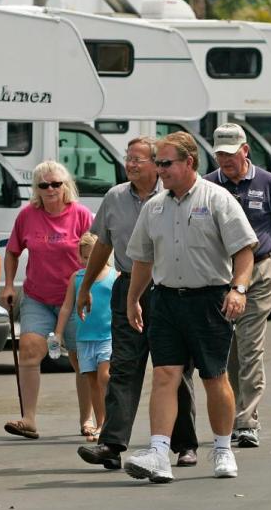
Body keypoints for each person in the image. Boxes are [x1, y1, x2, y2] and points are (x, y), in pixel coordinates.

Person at [123, 131, 258, 483]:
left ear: (189, 163)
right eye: (158, 163)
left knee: (214, 376)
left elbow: (244, 251)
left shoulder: (218, 200)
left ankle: (224, 449)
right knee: (165, 374)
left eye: (166, 163)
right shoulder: (154, 206)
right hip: (166, 300)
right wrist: (133, 298)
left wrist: (238, 289)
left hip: (210, 299)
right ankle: (158, 453)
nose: (160, 170)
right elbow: (142, 259)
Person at [75, 136, 199, 470]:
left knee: (172, 368)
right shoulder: (115, 197)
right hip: (127, 286)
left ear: (157, 164)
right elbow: (102, 244)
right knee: (124, 366)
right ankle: (111, 445)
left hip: (167, 289)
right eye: (128, 158)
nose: (130, 164)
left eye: (138, 159)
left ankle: (185, 444)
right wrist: (85, 287)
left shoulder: (171, 196)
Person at [203, 123, 271, 448]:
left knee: (250, 347)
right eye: (220, 153)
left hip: (261, 273)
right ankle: (231, 415)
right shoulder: (209, 186)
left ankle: (247, 422)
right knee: (227, 350)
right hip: (221, 277)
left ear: (245, 150)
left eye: (231, 153)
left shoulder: (268, 183)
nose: (225, 159)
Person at [1, 160, 93, 439]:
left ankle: (87, 419)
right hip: (38, 296)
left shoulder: (81, 215)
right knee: (29, 348)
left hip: (75, 297)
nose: (51, 189)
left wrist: (93, 286)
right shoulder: (27, 215)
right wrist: (8, 285)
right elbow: (12, 251)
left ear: (66, 186)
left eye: (56, 184)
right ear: (36, 189)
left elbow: (97, 250)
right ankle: (28, 418)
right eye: (44, 185)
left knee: (82, 360)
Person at [53, 232, 116, 442]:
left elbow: (121, 307)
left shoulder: (113, 276)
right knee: (91, 382)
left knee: (104, 377)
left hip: (107, 337)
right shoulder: (77, 278)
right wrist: (59, 333)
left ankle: (110, 423)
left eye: (94, 257)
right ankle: (100, 424)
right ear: (80, 257)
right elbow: (66, 307)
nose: (90, 262)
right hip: (84, 339)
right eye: (86, 257)